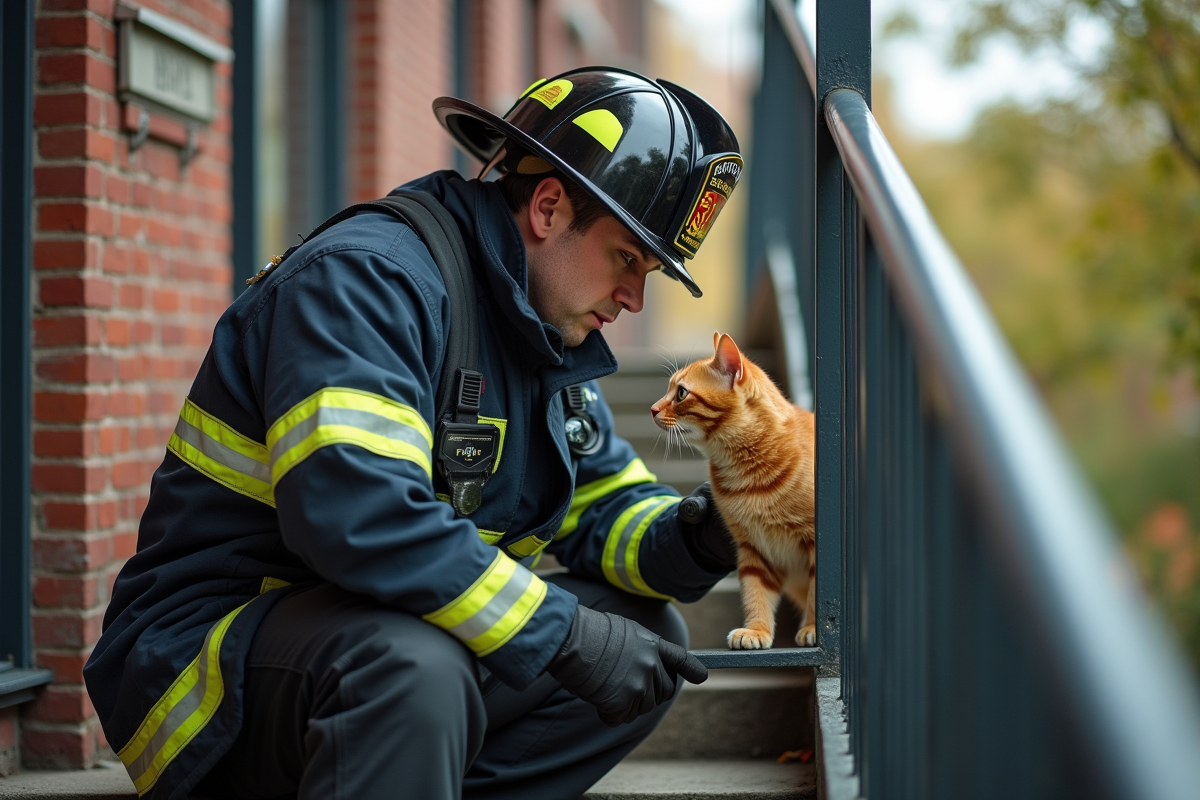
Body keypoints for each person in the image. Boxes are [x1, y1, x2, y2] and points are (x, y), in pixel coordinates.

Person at [83, 66, 744, 800]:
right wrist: (558, 631)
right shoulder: (369, 280)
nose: (633, 295)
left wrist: (714, 530)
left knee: (645, 638)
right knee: (414, 663)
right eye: (628, 259)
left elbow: (610, 514)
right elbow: (360, 515)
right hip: (209, 671)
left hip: (365, 644)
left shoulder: (539, 336)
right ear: (550, 208)